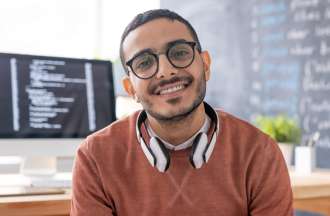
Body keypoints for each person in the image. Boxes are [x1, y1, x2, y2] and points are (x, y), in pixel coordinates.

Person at [71, 9, 293, 216]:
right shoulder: (95, 158)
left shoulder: (259, 152)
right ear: (131, 89)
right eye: (145, 62)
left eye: (179, 53)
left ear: (205, 65)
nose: (166, 71)